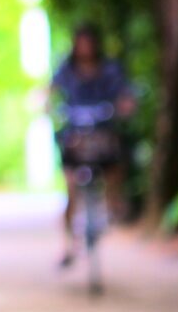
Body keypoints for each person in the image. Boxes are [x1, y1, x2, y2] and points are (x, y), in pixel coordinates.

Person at [47, 23, 135, 268]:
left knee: (116, 157)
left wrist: (125, 105)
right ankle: (68, 244)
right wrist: (45, 103)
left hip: (103, 133)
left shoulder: (110, 69)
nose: (85, 48)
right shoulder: (66, 70)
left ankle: (113, 203)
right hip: (75, 136)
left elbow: (125, 95)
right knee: (71, 188)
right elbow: (49, 91)